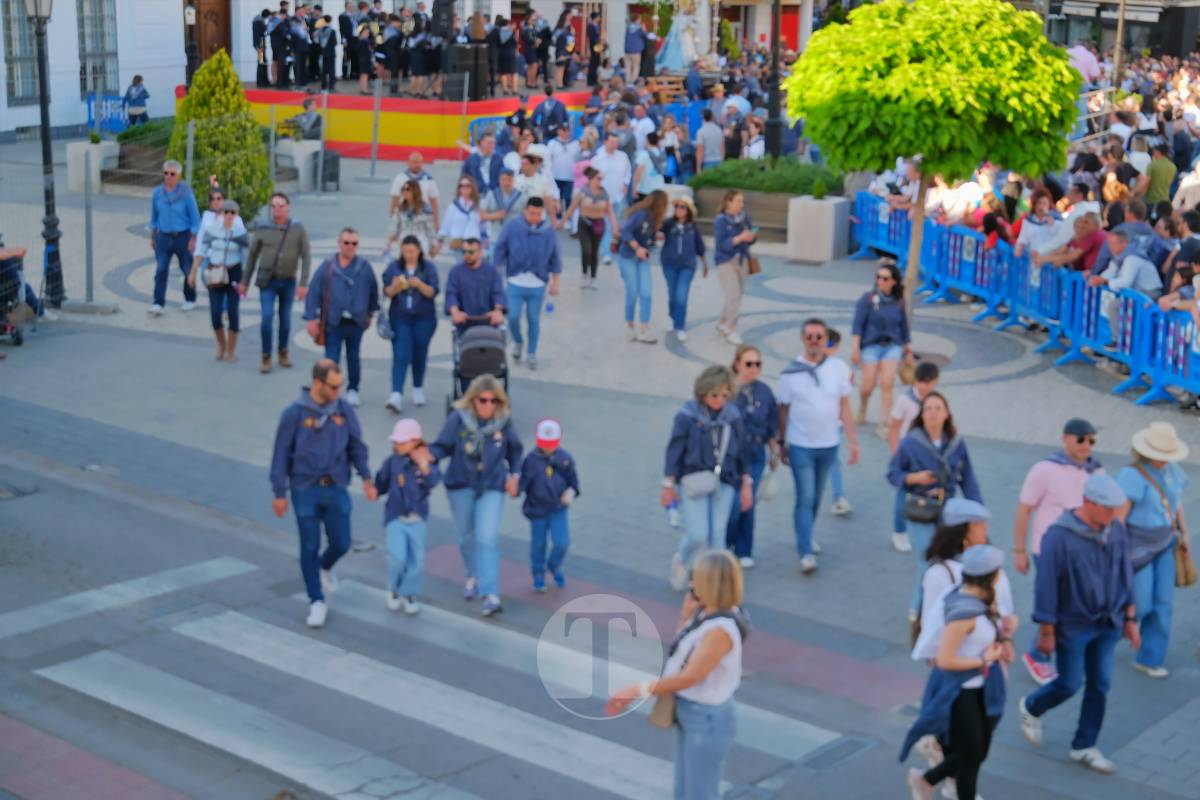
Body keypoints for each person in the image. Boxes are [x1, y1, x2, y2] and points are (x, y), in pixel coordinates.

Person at [1018, 473, 1138, 776]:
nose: (1112, 515)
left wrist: (1131, 618)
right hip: (1072, 626)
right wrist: (1046, 631)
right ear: (1087, 502)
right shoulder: (1058, 537)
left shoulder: (1116, 530)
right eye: (1107, 509)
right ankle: (1032, 706)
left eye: (1115, 509)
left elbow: (1126, 573)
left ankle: (1084, 745)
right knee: (1070, 683)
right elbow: (1046, 587)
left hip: (1108, 622)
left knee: (1101, 684)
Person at [606, 550, 748, 800]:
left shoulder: (721, 630)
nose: (691, 583)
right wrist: (685, 614)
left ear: (711, 585)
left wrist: (636, 690)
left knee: (700, 794)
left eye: (697, 579)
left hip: (707, 719)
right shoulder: (709, 612)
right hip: (694, 712)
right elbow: (684, 651)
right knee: (685, 791)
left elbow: (689, 676)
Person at [270, 359, 378, 628]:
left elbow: (357, 446)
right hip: (304, 488)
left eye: (340, 386)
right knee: (309, 544)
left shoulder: (343, 410)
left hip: (336, 486)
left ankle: (325, 566)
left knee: (341, 542)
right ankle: (316, 600)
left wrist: (366, 477)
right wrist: (279, 492)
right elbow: (280, 454)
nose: (337, 392)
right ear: (317, 383)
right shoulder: (294, 413)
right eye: (332, 387)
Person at [902, 545, 1009, 800]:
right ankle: (934, 784)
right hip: (961, 693)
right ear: (990, 575)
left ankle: (925, 780)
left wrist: (1004, 639)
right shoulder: (963, 613)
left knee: (978, 751)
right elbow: (945, 659)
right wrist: (983, 659)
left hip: (981, 688)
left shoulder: (981, 600)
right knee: (971, 758)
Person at [1013, 418, 1103, 686]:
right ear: (1066, 438)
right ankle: (1037, 656)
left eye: (1091, 440)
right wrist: (1019, 549)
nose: (1087, 445)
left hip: (1084, 551)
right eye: (1081, 439)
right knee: (1054, 605)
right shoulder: (1044, 470)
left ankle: (1061, 652)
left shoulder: (1096, 472)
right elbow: (1024, 509)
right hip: (1049, 550)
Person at [429, 375, 523, 617]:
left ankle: (490, 593)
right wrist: (425, 456)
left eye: (493, 401)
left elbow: (515, 451)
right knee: (466, 537)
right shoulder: (458, 420)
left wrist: (515, 475)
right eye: (482, 400)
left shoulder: (503, 422)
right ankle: (473, 573)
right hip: (461, 484)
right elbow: (442, 446)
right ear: (472, 400)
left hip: (492, 485)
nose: (487, 405)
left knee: (487, 537)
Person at [889, 391, 982, 619]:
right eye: (928, 408)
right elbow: (893, 473)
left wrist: (978, 510)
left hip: (948, 509)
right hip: (921, 507)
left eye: (937, 408)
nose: (932, 413)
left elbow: (967, 478)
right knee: (928, 561)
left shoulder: (957, 443)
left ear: (946, 413)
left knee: (949, 559)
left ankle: (942, 603)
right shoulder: (911, 442)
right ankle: (918, 607)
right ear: (922, 414)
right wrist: (914, 478)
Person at [662, 366, 754, 590]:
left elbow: (743, 451)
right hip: (694, 479)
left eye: (725, 395)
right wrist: (668, 485)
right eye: (714, 395)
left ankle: (709, 584)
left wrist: (746, 484)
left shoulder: (732, 416)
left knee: (718, 536)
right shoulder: (687, 416)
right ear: (703, 392)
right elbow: (674, 450)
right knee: (698, 534)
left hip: (726, 480)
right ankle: (682, 558)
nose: (719, 400)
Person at [778, 319, 859, 574]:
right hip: (801, 445)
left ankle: (806, 534)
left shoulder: (838, 368)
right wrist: (781, 442)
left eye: (819, 336)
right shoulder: (791, 373)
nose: (814, 340)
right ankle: (805, 552)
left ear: (826, 340)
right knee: (806, 496)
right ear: (803, 339)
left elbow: (844, 405)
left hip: (829, 445)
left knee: (817, 497)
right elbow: (783, 409)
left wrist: (852, 439)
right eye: (810, 336)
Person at [1117, 422, 1190, 679]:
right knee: (1142, 602)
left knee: (1164, 603)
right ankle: (1099, 636)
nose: (1164, 460)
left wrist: (1185, 534)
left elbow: (1176, 503)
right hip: (1137, 545)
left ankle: (1150, 658)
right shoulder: (1131, 476)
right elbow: (1119, 517)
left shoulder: (1173, 470)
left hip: (1166, 541)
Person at [303, 228, 379, 407]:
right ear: (339, 243)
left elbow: (373, 291)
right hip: (333, 321)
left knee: (354, 357)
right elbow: (314, 291)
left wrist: (369, 313)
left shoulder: (364, 267)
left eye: (354, 243)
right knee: (331, 358)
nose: (350, 246)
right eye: (346, 242)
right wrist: (311, 318)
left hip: (356, 321)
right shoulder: (328, 265)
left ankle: (353, 389)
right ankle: (329, 391)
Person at [372, 418, 440, 614]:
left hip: (417, 519)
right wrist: (376, 490)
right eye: (395, 442)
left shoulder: (427, 460)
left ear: (415, 441)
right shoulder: (392, 462)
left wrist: (425, 466)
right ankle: (394, 588)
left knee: (417, 561)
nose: (397, 445)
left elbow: (434, 481)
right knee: (397, 558)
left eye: (401, 442)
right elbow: (382, 481)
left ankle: (409, 592)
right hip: (396, 517)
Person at [493, 196, 562, 371]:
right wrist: (496, 270)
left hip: (538, 283)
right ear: (525, 211)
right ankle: (518, 340)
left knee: (533, 319)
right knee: (513, 317)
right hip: (516, 280)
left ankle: (531, 353)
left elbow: (555, 256)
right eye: (532, 213)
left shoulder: (548, 231)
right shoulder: (513, 226)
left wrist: (555, 282)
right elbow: (500, 248)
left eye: (539, 214)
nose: (535, 217)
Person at [725, 345, 778, 569]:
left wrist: (774, 451)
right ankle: (726, 543)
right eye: (748, 363)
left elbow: (772, 424)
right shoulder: (726, 391)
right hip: (731, 457)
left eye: (757, 364)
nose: (753, 368)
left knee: (748, 502)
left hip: (756, 454)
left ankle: (744, 549)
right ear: (737, 364)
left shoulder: (765, 392)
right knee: (733, 504)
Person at [851, 259, 914, 431]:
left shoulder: (899, 302)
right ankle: (863, 404)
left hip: (892, 346)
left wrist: (908, 350)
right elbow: (857, 326)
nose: (880, 281)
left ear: (894, 281)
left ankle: (884, 423)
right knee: (868, 386)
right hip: (870, 346)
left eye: (885, 278)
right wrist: (855, 349)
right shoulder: (868, 299)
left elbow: (904, 328)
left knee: (887, 383)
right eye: (878, 277)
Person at [520, 418, 580, 591]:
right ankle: (538, 572)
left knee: (562, 542)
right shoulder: (531, 460)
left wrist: (570, 493)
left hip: (558, 509)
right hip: (537, 509)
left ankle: (554, 565)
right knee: (538, 543)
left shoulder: (565, 459)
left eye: (551, 443)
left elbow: (574, 484)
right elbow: (523, 483)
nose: (547, 448)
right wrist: (515, 486)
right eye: (544, 443)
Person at [381, 235, 439, 413]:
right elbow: (387, 291)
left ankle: (417, 388)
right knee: (401, 352)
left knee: (420, 353)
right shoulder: (394, 267)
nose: (409, 255)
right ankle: (396, 393)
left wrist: (419, 284)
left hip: (424, 318)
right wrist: (397, 286)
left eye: (412, 251)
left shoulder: (428, 268)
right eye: (405, 251)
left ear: (419, 250)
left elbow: (432, 292)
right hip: (400, 317)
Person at [188, 198, 248, 362]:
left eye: (232, 212)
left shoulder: (240, 232)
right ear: (220, 214)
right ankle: (221, 344)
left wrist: (245, 281)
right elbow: (201, 251)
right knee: (215, 312)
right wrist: (193, 272)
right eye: (225, 212)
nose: (228, 215)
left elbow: (246, 258)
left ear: (236, 215)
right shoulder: (211, 229)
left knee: (233, 311)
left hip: (234, 272)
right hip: (215, 272)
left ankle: (231, 349)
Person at [148, 160, 200, 316]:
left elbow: (195, 218)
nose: (169, 176)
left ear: (178, 176)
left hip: (183, 237)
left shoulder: (186, 194)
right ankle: (158, 302)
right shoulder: (157, 194)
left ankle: (190, 299)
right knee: (161, 269)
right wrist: (153, 235)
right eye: (166, 173)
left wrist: (193, 238)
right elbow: (154, 217)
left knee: (186, 268)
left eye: (172, 174)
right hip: (163, 237)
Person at [616, 190, 667, 344]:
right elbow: (625, 231)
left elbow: (646, 236)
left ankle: (644, 329)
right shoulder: (641, 214)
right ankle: (629, 326)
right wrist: (637, 248)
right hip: (628, 257)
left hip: (642, 259)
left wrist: (656, 236)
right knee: (632, 292)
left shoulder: (653, 219)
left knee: (646, 293)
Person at [712, 190, 757, 345]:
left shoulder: (744, 218)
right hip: (725, 261)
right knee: (734, 295)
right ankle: (731, 330)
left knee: (737, 294)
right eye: (738, 201)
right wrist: (739, 238)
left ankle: (722, 323)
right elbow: (722, 245)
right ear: (728, 202)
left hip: (743, 260)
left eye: (742, 201)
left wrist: (752, 236)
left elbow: (752, 232)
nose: (741, 204)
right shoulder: (721, 220)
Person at [659, 195, 707, 341]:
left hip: (687, 266)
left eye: (682, 207)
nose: (678, 209)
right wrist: (659, 234)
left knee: (681, 295)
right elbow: (659, 231)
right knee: (673, 294)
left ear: (688, 210)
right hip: (669, 264)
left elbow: (700, 247)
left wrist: (705, 264)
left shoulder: (693, 228)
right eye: (677, 206)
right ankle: (671, 317)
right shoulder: (668, 223)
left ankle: (680, 326)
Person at [562, 166, 618, 290]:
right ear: (591, 179)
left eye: (601, 179)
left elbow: (610, 212)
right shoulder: (582, 193)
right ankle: (584, 275)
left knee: (594, 251)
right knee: (586, 250)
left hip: (598, 224)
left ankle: (593, 277)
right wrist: (562, 222)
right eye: (598, 178)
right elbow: (571, 208)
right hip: (584, 223)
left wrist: (615, 227)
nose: (600, 181)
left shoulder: (604, 194)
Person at [444, 238, 506, 334]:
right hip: (464, 325)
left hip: (489, 324)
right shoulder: (455, 272)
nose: (467, 255)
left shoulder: (491, 271)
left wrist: (498, 311)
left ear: (480, 252)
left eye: (471, 252)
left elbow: (498, 293)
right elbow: (451, 294)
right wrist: (455, 312)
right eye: (464, 251)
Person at [591, 131, 633, 261]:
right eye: (612, 142)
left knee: (617, 224)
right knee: (607, 224)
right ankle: (605, 252)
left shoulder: (622, 156)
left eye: (616, 142)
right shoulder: (598, 158)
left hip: (618, 197)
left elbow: (627, 173)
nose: (614, 145)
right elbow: (591, 178)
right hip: (602, 198)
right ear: (605, 142)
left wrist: (626, 185)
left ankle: (613, 247)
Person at [385, 179, 438, 256]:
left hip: (420, 239)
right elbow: (394, 227)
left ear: (415, 191)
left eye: (407, 189)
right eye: (403, 189)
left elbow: (430, 229)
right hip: (403, 238)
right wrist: (389, 242)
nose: (404, 192)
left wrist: (433, 245)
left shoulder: (425, 209)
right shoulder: (400, 209)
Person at [390, 152, 440, 230]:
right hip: (404, 215)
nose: (417, 165)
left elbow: (433, 201)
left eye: (419, 162)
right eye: (414, 162)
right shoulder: (400, 178)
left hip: (423, 216)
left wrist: (436, 222)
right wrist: (393, 218)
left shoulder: (429, 179)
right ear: (408, 163)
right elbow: (395, 199)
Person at [437, 175, 483, 260]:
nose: (464, 188)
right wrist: (440, 240)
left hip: (473, 245)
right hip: (458, 244)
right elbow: (446, 224)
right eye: (462, 186)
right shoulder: (454, 205)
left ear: (472, 187)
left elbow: (483, 225)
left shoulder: (479, 204)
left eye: (467, 186)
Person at [547, 124, 580, 212]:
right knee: (557, 197)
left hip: (570, 176)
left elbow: (578, 159)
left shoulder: (576, 143)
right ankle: (558, 217)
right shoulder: (552, 143)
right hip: (556, 175)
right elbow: (548, 159)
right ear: (558, 131)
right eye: (563, 130)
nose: (566, 132)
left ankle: (568, 217)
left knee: (568, 197)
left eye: (567, 130)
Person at [462, 131, 504, 198]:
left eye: (493, 143)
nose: (492, 145)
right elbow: (464, 177)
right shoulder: (471, 160)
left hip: (495, 195)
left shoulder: (498, 159)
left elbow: (502, 177)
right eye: (489, 143)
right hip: (476, 195)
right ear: (482, 143)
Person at [633, 131, 667, 202]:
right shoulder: (662, 154)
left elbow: (639, 171)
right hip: (659, 189)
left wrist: (635, 187)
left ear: (647, 141)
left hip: (645, 190)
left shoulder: (643, 154)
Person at [622, 15, 646, 80]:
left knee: (627, 67)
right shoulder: (639, 29)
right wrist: (644, 29)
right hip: (636, 51)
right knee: (636, 66)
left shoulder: (628, 27)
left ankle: (627, 81)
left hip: (627, 50)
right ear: (637, 20)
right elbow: (645, 35)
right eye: (639, 19)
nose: (640, 21)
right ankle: (633, 81)